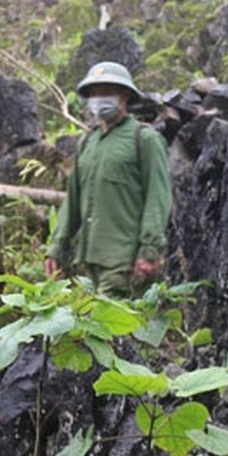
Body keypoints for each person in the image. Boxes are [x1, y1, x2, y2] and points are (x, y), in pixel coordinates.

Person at [45, 62, 172, 297]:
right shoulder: (87, 143)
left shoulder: (144, 139)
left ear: (124, 95)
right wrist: (57, 247)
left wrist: (150, 250)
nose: (99, 98)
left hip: (126, 259)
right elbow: (72, 201)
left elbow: (158, 198)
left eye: (106, 91)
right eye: (94, 93)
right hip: (91, 258)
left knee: (109, 324)